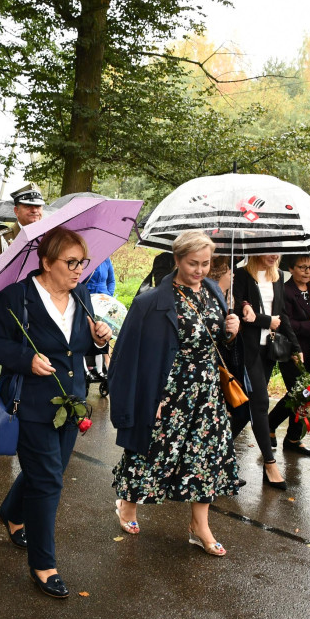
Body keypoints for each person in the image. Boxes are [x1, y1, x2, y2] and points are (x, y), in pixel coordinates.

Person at [0, 227, 111, 598]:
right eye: (70, 263)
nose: (78, 271)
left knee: (47, 470)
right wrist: (26, 359)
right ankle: (43, 563)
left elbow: (78, 348)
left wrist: (98, 338)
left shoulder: (81, 295)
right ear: (46, 262)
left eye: (82, 263)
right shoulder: (16, 297)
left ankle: (10, 512)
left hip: (70, 402)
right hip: (31, 405)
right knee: (49, 480)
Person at [107, 231, 241, 555]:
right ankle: (128, 504)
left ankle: (200, 526)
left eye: (206, 263)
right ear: (177, 259)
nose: (199, 270)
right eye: (193, 263)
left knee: (205, 454)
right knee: (150, 452)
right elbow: (126, 356)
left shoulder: (212, 291)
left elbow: (215, 340)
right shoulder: (150, 302)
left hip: (207, 391)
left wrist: (230, 331)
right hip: (167, 391)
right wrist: (138, 402)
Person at [230, 254, 299, 490]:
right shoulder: (241, 275)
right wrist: (264, 319)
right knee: (260, 403)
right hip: (247, 351)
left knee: (243, 409)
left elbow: (283, 316)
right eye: (269, 250)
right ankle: (270, 464)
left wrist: (295, 346)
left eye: (277, 251)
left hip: (268, 351)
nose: (274, 256)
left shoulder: (278, 277)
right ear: (257, 249)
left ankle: (213, 453)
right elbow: (236, 312)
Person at [266, 255, 310, 457]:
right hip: (292, 349)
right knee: (298, 393)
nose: (307, 271)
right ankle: (270, 424)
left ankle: (293, 438)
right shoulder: (285, 290)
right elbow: (287, 323)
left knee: (306, 395)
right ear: (291, 269)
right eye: (302, 267)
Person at [0, 183, 45, 265]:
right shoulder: (1, 239)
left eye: (38, 206)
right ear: (16, 211)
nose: (34, 210)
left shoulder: (48, 238)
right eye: (28, 206)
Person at [84, 256, 115, 381]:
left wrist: (108, 296)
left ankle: (105, 368)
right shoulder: (85, 260)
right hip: (87, 300)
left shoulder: (105, 259)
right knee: (88, 334)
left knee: (104, 335)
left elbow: (111, 280)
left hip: (104, 301)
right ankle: (87, 369)